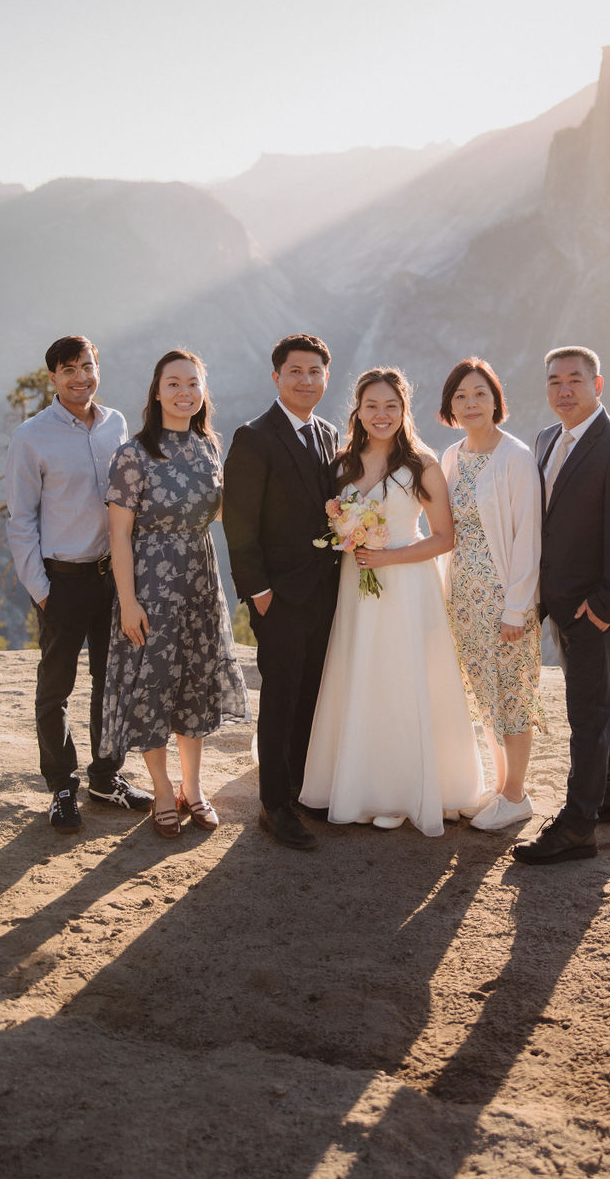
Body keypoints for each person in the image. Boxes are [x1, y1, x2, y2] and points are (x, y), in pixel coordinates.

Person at [300, 367, 485, 836]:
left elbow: (445, 538)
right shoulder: (342, 464)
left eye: (391, 406)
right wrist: (347, 533)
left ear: (404, 410)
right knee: (360, 674)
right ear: (357, 411)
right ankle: (362, 786)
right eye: (371, 406)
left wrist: (391, 556)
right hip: (355, 584)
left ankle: (407, 789)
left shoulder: (421, 464)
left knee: (405, 679)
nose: (381, 415)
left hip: (406, 586)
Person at [513, 346, 610, 865]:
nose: (564, 389)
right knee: (605, 700)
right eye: (554, 382)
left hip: (599, 609)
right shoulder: (546, 439)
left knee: (589, 713)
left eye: (575, 379)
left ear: (598, 385)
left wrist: (605, 604)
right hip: (561, 602)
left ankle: (577, 828)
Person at [100, 349, 249, 839]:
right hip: (151, 582)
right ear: (157, 391)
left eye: (193, 384)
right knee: (153, 685)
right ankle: (163, 790)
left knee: (194, 684)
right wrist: (128, 601)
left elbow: (223, 512)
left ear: (203, 391)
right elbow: (119, 534)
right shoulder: (134, 454)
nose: (185, 392)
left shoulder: (209, 447)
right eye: (174, 383)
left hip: (201, 583)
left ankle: (194, 787)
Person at [6, 335, 152, 833]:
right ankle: (61, 787)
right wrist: (41, 589)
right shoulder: (32, 436)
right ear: (53, 378)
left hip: (113, 578)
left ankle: (106, 776)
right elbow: (20, 519)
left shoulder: (117, 424)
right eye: (67, 370)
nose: (79, 377)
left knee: (110, 684)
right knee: (56, 689)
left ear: (97, 369)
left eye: (86, 366)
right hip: (62, 582)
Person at [223, 334, 341, 852]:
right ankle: (274, 804)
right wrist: (259, 593)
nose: (305, 380)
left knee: (312, 691)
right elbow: (239, 524)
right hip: (279, 595)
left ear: (325, 378)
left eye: (315, 371)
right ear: (276, 377)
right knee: (280, 697)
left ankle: (298, 786)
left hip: (326, 592)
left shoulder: (329, 433)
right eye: (296, 371)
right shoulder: (254, 437)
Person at [438, 357, 546, 832]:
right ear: (450, 406)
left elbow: (529, 538)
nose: (471, 402)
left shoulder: (515, 457)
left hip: (504, 598)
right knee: (484, 693)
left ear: (495, 400)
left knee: (512, 695)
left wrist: (518, 608)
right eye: (461, 395)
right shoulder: (451, 457)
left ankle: (517, 795)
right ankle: (501, 788)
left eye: (480, 393)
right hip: (462, 597)